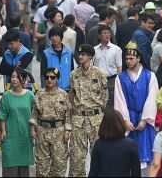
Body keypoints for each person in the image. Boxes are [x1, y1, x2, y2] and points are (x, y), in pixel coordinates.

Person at [114, 40, 159, 171]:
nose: (128, 61)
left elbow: (152, 98)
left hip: (144, 117)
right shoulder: (120, 77)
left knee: (145, 156)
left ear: (138, 58)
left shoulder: (150, 75)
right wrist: (125, 120)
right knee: (127, 156)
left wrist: (145, 120)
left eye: (131, 58)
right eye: (126, 58)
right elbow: (119, 99)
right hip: (128, 116)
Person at [68, 44, 108, 177]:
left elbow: (105, 96)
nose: (80, 56)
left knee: (99, 155)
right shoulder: (74, 75)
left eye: (83, 54)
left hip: (96, 120)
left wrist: (99, 113)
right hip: (79, 120)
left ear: (90, 56)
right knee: (77, 157)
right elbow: (71, 97)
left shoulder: (100, 74)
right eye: (79, 54)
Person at [30, 68, 71, 177]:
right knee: (42, 166)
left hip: (59, 133)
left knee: (59, 164)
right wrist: (32, 128)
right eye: (47, 77)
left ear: (57, 79)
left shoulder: (63, 95)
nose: (49, 80)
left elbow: (68, 115)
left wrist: (67, 131)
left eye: (52, 77)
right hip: (42, 132)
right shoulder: (39, 94)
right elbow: (34, 113)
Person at [0, 68, 35, 177]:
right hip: (10, 137)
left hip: (25, 136)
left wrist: (33, 130)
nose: (14, 79)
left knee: (24, 170)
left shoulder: (30, 95)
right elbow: (2, 115)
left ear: (23, 80)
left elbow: (34, 115)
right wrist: (3, 131)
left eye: (17, 77)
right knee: (9, 168)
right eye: (12, 77)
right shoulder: (6, 96)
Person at [88, 109, 141, 177]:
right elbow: (136, 172)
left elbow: (93, 171)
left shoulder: (99, 144)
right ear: (121, 123)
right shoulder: (131, 144)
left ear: (104, 125)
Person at [93, 24, 123, 109]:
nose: (107, 35)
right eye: (104, 33)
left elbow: (119, 67)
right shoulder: (94, 50)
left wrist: (118, 81)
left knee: (112, 104)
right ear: (99, 36)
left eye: (108, 33)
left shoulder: (116, 49)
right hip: (98, 80)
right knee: (98, 103)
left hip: (112, 80)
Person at [43, 26, 75, 91]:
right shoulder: (46, 53)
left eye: (56, 36)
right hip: (52, 89)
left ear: (61, 37)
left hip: (67, 90)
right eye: (52, 36)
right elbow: (43, 73)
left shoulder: (69, 53)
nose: (54, 38)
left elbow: (72, 71)